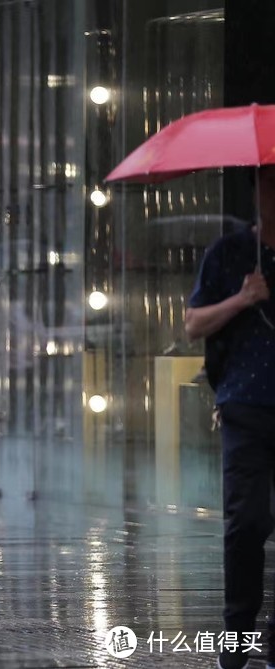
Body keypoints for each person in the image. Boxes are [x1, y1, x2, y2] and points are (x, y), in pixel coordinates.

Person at [184, 166, 275, 669]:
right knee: (247, 521)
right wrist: (243, 298)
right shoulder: (229, 254)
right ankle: (238, 633)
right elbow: (193, 323)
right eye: (267, 182)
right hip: (244, 403)